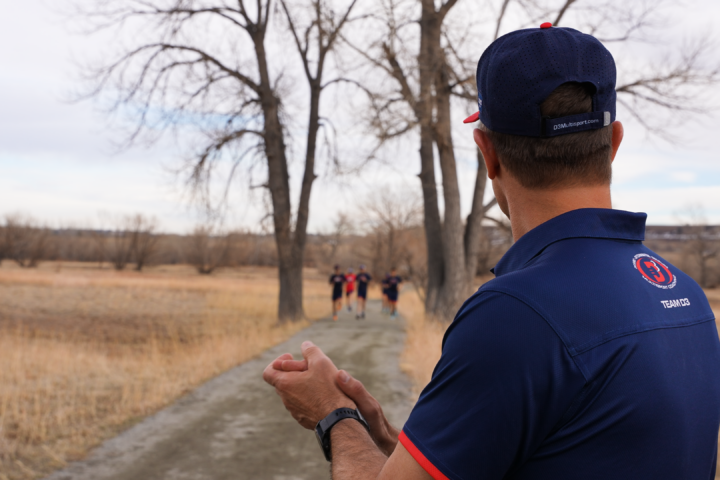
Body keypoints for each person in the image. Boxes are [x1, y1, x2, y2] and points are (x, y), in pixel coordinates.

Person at [264, 24, 720, 479]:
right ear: (614, 142)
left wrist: (333, 416)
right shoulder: (688, 297)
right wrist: (389, 441)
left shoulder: (516, 313)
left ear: (488, 154)